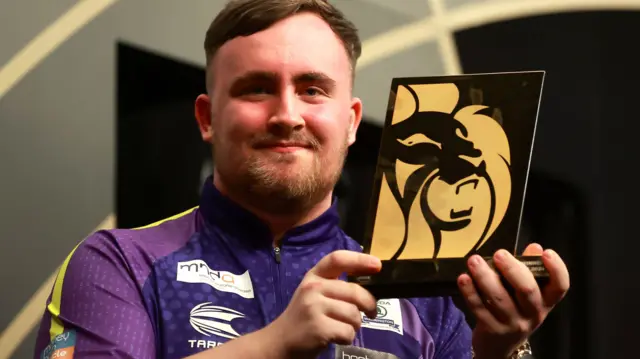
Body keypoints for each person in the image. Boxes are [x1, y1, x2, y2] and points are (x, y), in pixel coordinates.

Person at [33, 1, 570, 358]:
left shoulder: (428, 302)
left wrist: (500, 352)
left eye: (313, 89)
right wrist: (274, 345)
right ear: (206, 118)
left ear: (353, 121)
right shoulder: (119, 264)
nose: (287, 113)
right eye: (256, 88)